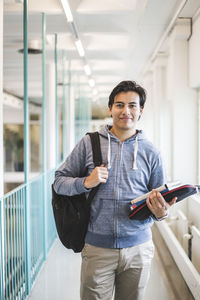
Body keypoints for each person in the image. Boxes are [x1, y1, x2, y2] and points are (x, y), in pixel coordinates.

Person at [53, 80, 176, 300]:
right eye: (119, 105)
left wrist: (162, 213)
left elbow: (160, 198)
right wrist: (85, 182)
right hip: (97, 248)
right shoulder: (88, 143)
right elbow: (59, 182)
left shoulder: (151, 152)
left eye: (132, 105)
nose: (125, 111)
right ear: (110, 109)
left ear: (140, 111)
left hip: (138, 248)